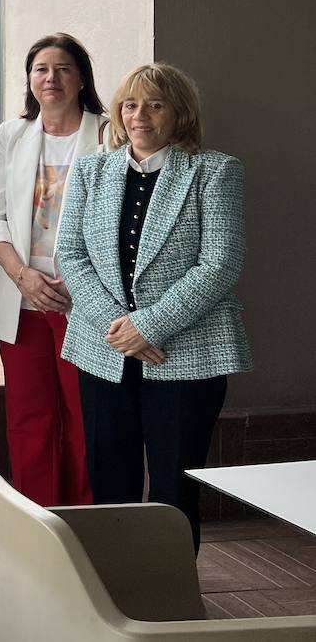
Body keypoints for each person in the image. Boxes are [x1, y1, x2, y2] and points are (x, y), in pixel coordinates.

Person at [57, 63, 249, 551]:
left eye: (154, 104)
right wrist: (118, 329)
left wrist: (150, 326)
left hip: (188, 354)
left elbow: (220, 264)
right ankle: (114, 590)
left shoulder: (215, 170)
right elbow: (71, 254)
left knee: (175, 490)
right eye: (130, 104)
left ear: (179, 112)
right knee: (110, 484)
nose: (139, 114)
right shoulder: (91, 170)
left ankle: (171, 595)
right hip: (103, 352)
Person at [0, 33, 107, 507]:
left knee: (84, 416)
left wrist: (81, 282)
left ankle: (86, 520)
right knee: (28, 419)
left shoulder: (109, 134)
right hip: (23, 300)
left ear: (81, 78)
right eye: (40, 69)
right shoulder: (12, 134)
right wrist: (23, 276)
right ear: (29, 78)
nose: (50, 79)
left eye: (62, 69)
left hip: (86, 305)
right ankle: (40, 520)